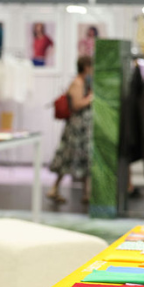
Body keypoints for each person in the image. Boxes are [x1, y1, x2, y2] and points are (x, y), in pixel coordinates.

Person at [48, 56, 94, 204]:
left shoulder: (84, 82)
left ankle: (87, 193)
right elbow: (76, 105)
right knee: (67, 158)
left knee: (85, 159)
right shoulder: (78, 82)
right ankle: (54, 188)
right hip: (75, 128)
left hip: (82, 128)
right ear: (86, 67)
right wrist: (91, 98)